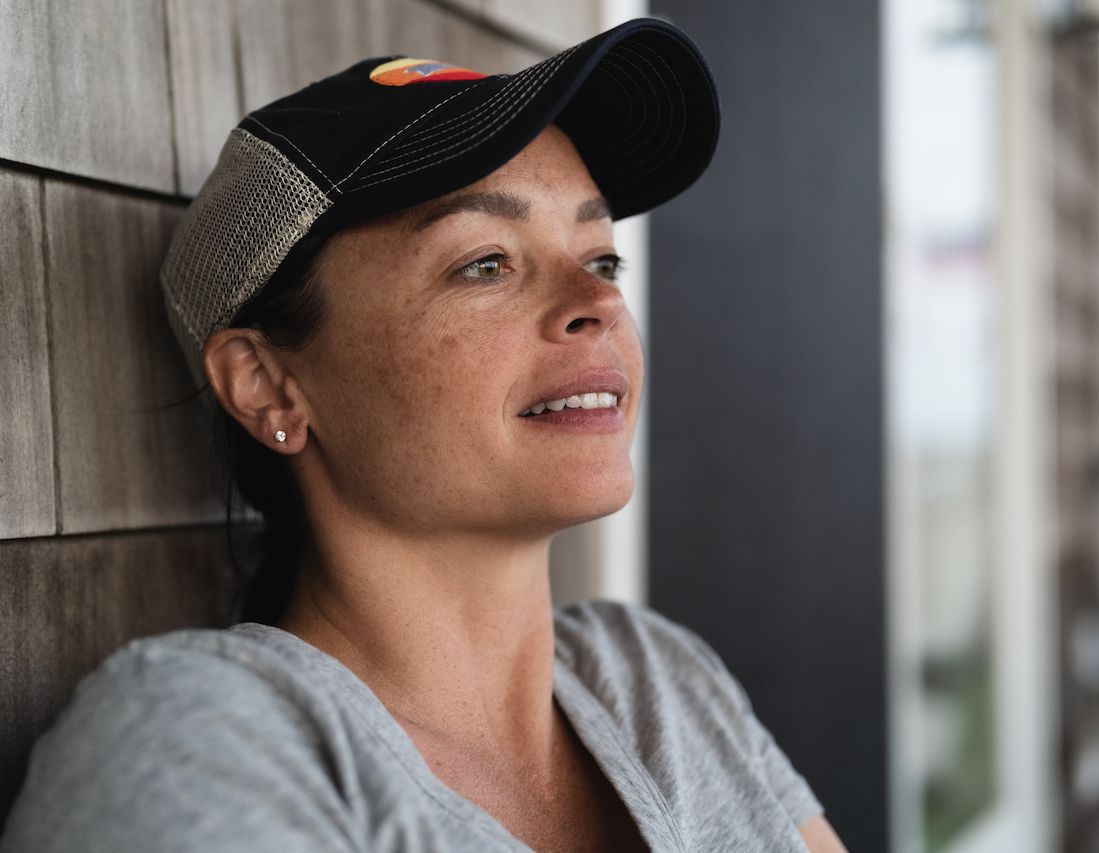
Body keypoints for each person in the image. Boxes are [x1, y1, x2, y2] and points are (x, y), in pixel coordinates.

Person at [0, 17, 847, 853]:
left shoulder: (658, 677)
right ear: (268, 385)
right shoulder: (198, 745)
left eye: (601, 257)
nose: (601, 304)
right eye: (485, 262)